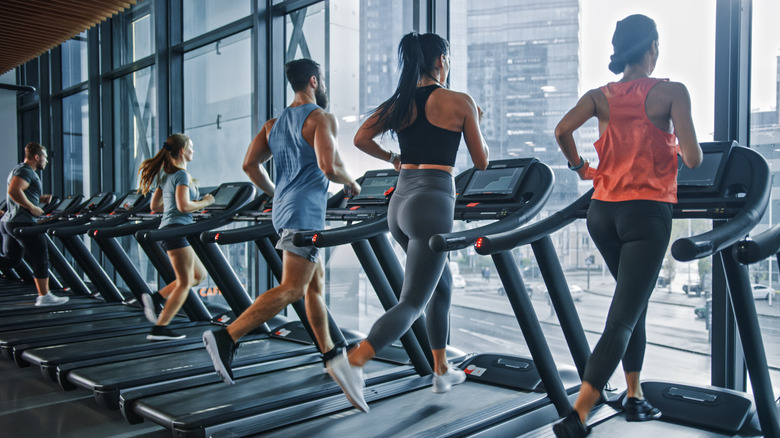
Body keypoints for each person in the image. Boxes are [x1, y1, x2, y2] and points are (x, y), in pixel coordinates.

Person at [551, 15, 702, 437]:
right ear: (652, 46)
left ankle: (633, 395)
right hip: (646, 215)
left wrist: (582, 167)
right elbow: (692, 159)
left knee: (632, 305)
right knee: (621, 317)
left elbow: (562, 130)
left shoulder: (600, 96)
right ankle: (577, 413)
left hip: (602, 213)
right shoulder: (671, 93)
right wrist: (674, 142)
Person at [202, 58, 364, 404]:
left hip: (284, 211)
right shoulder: (321, 118)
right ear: (314, 81)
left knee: (312, 287)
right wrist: (350, 181)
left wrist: (277, 194)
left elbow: (249, 165)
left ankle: (331, 354)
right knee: (292, 288)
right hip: (304, 214)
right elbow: (328, 165)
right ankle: (226, 337)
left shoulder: (272, 125)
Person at [348, 32, 489, 408]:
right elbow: (481, 161)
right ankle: (355, 361)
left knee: (440, 286)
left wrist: (393, 159)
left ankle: (441, 371)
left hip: (400, 201)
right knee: (412, 302)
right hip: (432, 200)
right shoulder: (460, 102)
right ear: (442, 59)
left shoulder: (400, 102)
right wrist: (476, 119)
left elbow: (361, 138)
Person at [138, 133, 215, 341]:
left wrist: (177, 208)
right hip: (176, 230)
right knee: (184, 281)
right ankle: (160, 328)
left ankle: (156, 298)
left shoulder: (166, 175)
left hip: (170, 229)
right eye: (192, 147)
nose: (194, 151)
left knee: (199, 276)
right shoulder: (181, 175)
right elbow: (184, 206)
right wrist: (206, 202)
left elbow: (155, 206)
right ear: (182, 150)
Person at [0, 142, 68, 306]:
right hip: (22, 221)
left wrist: (39, 198)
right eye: (44, 157)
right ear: (37, 157)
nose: (46, 161)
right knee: (41, 256)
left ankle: (44, 295)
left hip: (10, 221)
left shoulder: (19, 170)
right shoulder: (26, 171)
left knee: (11, 260)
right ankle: (44, 296)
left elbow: (20, 192)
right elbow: (14, 191)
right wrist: (33, 207)